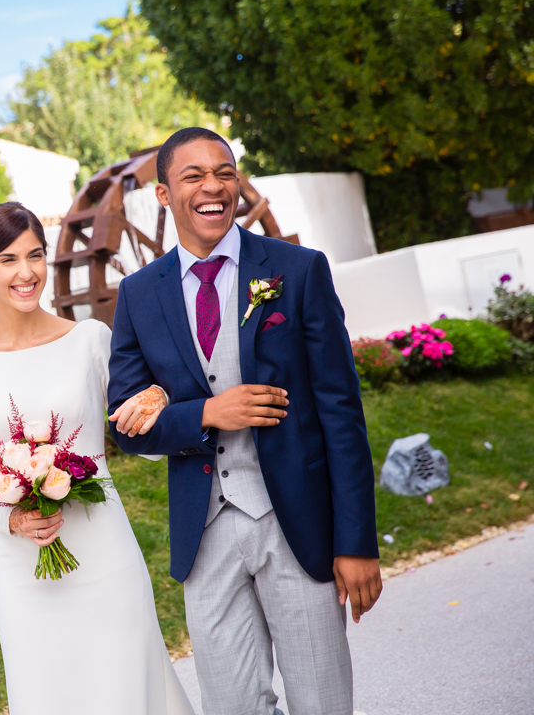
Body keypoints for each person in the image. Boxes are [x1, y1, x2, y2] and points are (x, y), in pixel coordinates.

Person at [107, 127, 382, 715]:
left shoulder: (298, 270)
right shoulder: (138, 295)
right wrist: (207, 413)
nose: (213, 187)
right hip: (204, 535)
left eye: (224, 173)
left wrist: (356, 542)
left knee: (322, 701)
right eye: (194, 176)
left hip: (298, 526)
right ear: (163, 195)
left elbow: (341, 410)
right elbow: (126, 426)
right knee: (231, 707)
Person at [0, 202, 195, 715]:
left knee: (126, 688)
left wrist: (158, 400)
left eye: (35, 255)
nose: (26, 272)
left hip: (105, 554)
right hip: (23, 570)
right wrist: (9, 516)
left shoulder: (90, 340)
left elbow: (138, 423)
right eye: (8, 260)